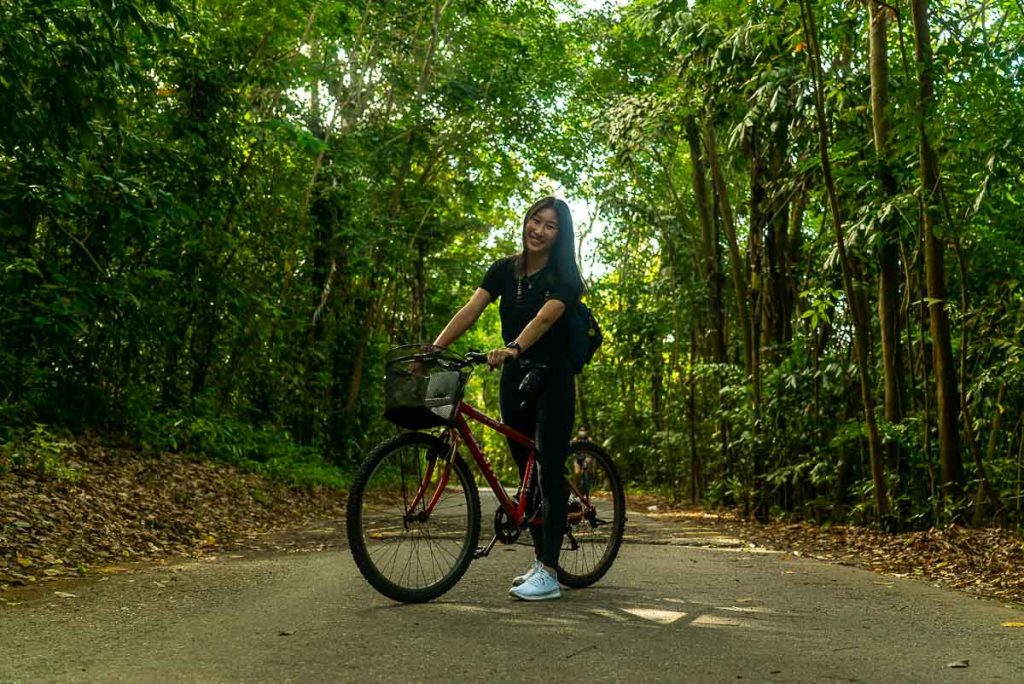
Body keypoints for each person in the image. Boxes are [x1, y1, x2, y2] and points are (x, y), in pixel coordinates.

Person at [432, 196, 584, 601]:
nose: (539, 230)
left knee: (549, 468)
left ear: (559, 235)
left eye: (550, 226)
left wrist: (514, 347)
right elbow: (471, 309)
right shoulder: (503, 270)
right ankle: (540, 561)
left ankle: (550, 575)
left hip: (552, 375)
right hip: (515, 375)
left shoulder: (566, 276)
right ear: (526, 221)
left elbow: (545, 318)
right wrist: (434, 349)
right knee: (527, 471)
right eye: (536, 220)